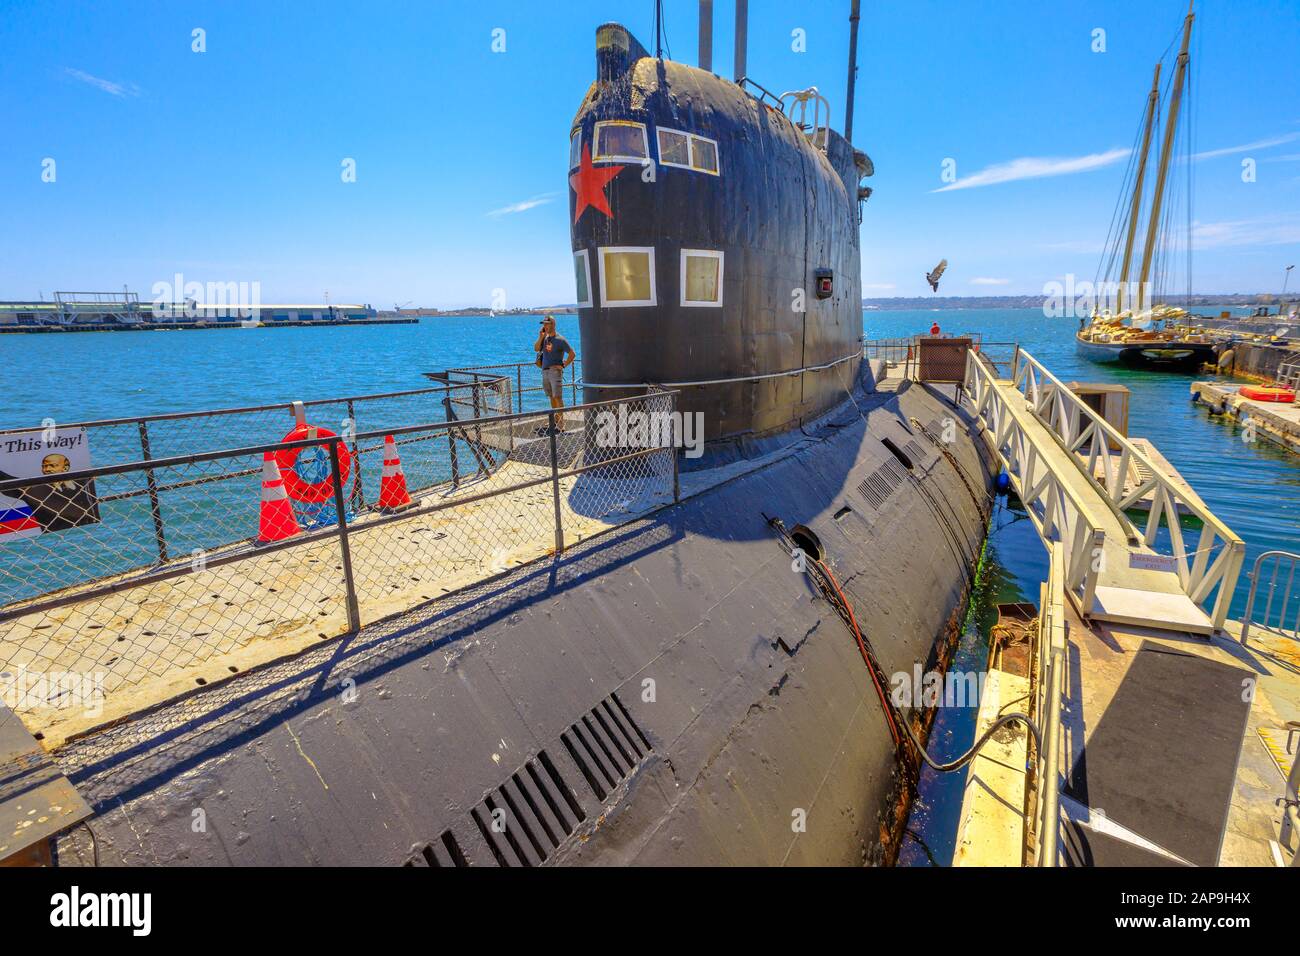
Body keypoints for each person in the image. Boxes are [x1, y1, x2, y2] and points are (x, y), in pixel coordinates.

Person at [534, 315, 574, 433]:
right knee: (551, 396)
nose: (545, 326)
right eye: (544, 324)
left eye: (547, 323)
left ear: (553, 324)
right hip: (544, 370)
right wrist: (540, 337)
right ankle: (556, 420)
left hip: (555, 371)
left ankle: (561, 423)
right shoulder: (545, 338)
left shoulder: (560, 339)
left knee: (558, 397)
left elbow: (572, 354)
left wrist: (563, 365)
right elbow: (536, 348)